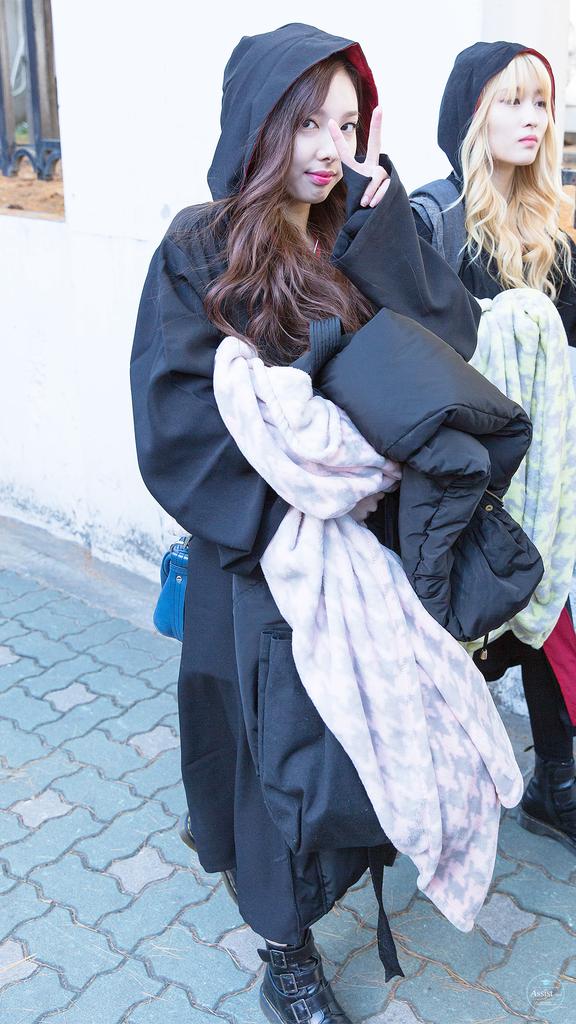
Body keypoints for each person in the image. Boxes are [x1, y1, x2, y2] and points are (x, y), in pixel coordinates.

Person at [131, 24, 512, 1024]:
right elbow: (175, 417)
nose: (329, 147)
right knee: (273, 762)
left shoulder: (356, 233)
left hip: (363, 554)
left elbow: (448, 346)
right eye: (308, 122)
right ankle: (284, 953)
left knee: (353, 745)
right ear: (260, 124)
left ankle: (329, 882)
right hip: (261, 561)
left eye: (347, 125)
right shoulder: (199, 248)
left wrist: (388, 240)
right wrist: (298, 499)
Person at [411, 41, 576, 855]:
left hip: (546, 474)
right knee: (457, 638)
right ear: (471, 115)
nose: (531, 118)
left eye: (541, 102)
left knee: (552, 609)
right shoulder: (434, 220)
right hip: (467, 474)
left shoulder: (554, 229)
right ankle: (431, 797)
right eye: (510, 101)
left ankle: (556, 782)